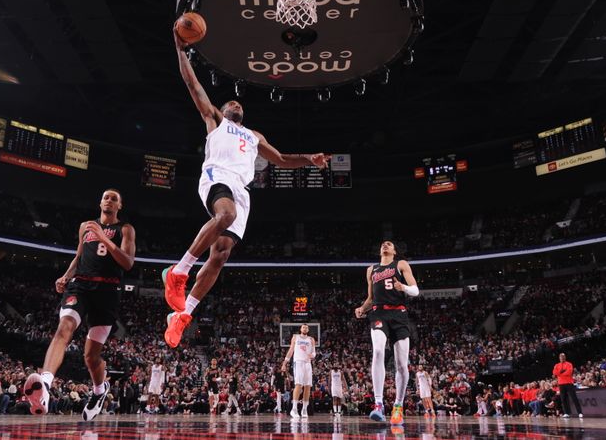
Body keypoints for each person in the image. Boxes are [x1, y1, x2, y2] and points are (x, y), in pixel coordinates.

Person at [163, 30, 330, 348]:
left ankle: (183, 315)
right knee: (225, 214)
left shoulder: (254, 135)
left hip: (241, 188)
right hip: (217, 176)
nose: (235, 103)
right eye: (230, 102)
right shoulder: (215, 121)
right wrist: (180, 50)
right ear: (223, 111)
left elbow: (281, 159)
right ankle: (178, 271)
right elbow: (192, 85)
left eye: (238, 102)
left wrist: (309, 158)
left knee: (220, 256)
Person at [23, 189, 135, 421]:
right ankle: (45, 383)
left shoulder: (125, 229)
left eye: (114, 198)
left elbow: (128, 263)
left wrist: (104, 238)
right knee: (64, 328)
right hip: (81, 286)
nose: (109, 200)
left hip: (107, 292)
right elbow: (79, 257)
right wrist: (66, 275)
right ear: (100, 201)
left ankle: (99, 390)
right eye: (106, 197)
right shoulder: (86, 226)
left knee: (91, 357)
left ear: (119, 206)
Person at [355, 241, 420, 424]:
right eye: (383, 244)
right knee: (377, 351)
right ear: (380, 250)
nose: (385, 245)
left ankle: (398, 406)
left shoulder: (401, 264)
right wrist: (362, 308)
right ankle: (378, 404)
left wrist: (404, 288)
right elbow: (370, 298)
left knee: (401, 363)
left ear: (394, 250)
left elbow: (415, 290)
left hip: (399, 314)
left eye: (389, 244)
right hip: (378, 312)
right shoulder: (371, 270)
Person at [281, 324, 316, 419]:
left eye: (306, 327)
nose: (305, 328)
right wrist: (284, 363)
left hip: (307, 363)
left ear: (308, 330)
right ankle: (294, 409)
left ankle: (304, 409)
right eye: (303, 327)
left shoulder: (311, 339)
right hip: (298, 362)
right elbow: (291, 350)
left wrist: (312, 355)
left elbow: (314, 352)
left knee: (308, 386)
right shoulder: (295, 337)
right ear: (300, 329)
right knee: (298, 384)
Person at [553, 353, 583, 418]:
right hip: (561, 384)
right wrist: (562, 372)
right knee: (563, 399)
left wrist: (560, 374)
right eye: (561, 357)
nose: (562, 358)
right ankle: (566, 413)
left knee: (574, 398)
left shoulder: (569, 364)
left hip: (569, 383)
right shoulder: (557, 365)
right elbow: (554, 372)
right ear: (559, 358)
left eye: (563, 357)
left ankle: (580, 412)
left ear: (565, 357)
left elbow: (569, 372)